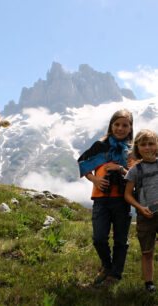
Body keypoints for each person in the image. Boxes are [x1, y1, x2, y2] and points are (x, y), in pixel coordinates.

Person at [78, 109, 133, 286]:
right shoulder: (100, 146)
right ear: (111, 126)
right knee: (99, 237)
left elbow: (137, 174)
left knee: (120, 240)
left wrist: (120, 169)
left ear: (130, 128)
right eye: (117, 124)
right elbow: (83, 162)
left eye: (125, 125)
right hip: (100, 199)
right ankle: (107, 265)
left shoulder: (132, 151)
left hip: (122, 200)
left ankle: (114, 275)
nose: (120, 128)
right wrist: (95, 180)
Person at [124, 129, 158, 293]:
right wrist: (140, 208)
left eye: (151, 143)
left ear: (157, 146)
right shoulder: (135, 170)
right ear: (137, 148)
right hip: (145, 216)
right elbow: (128, 195)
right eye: (143, 144)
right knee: (147, 251)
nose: (148, 147)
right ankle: (149, 284)